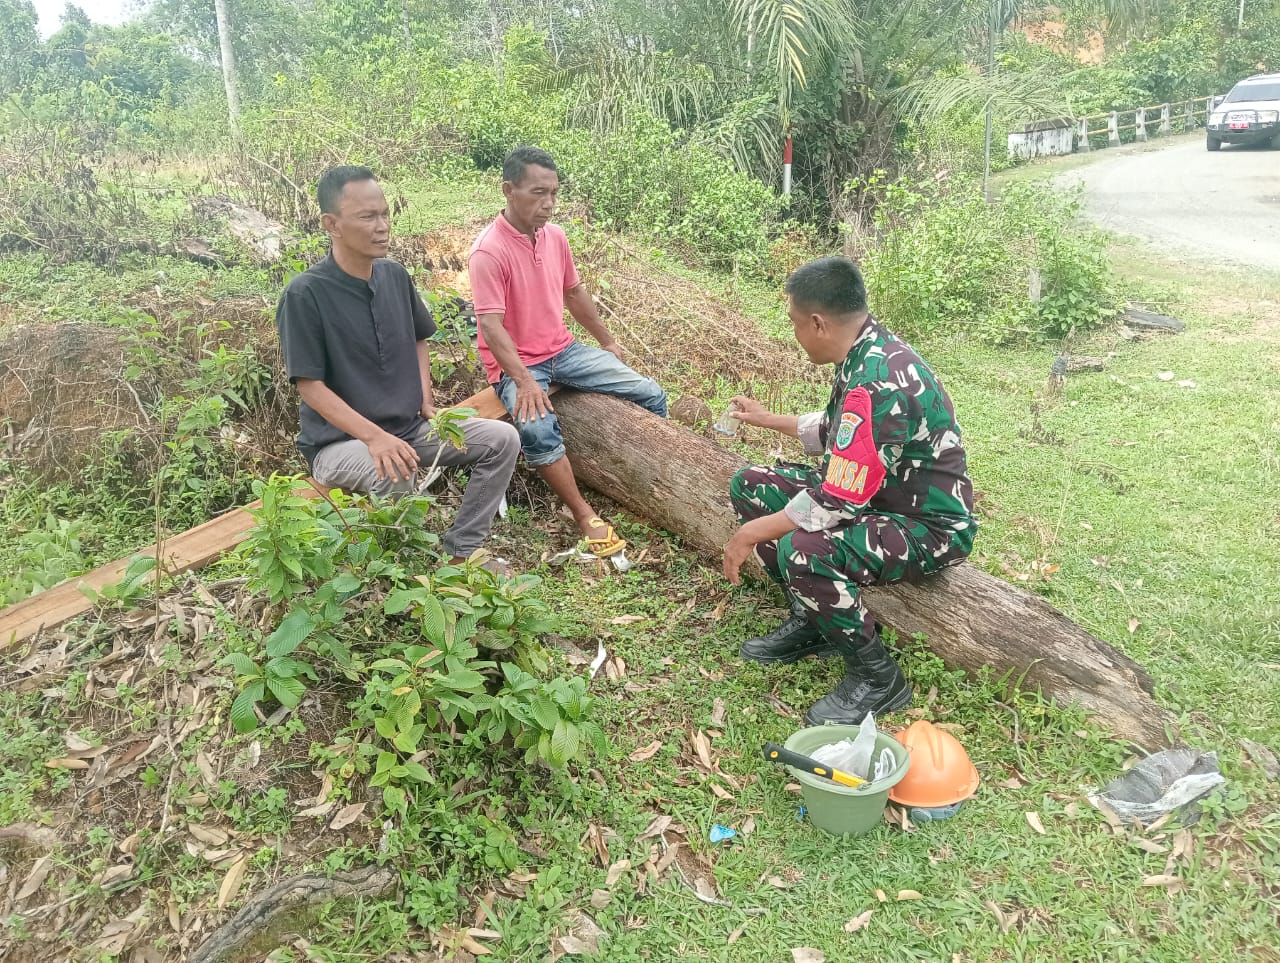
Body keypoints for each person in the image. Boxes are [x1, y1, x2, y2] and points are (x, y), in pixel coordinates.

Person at [722, 257, 976, 725]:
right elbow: (841, 432)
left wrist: (749, 534)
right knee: (752, 486)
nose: (795, 334)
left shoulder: (877, 380)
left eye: (796, 323)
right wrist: (766, 418)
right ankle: (814, 620)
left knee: (804, 549)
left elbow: (836, 501)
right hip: (877, 498)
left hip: (927, 527)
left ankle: (877, 676)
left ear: (818, 323)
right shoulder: (867, 351)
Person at [276, 165, 520, 570]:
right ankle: (409, 573)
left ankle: (461, 551)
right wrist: (375, 438)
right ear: (331, 224)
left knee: (502, 439)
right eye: (367, 217)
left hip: (408, 428)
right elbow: (310, 387)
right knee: (394, 468)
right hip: (339, 444)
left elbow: (419, 337)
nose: (382, 226)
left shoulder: (393, 275)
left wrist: (425, 399)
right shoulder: (305, 294)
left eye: (385, 214)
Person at [468, 146, 668, 558]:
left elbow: (573, 292)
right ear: (508, 190)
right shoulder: (489, 251)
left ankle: (648, 476)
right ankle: (583, 514)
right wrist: (524, 381)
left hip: (563, 350)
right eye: (538, 193)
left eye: (554, 193)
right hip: (518, 364)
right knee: (537, 431)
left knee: (650, 393)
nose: (549, 204)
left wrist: (607, 341)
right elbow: (490, 325)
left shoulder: (555, 237)